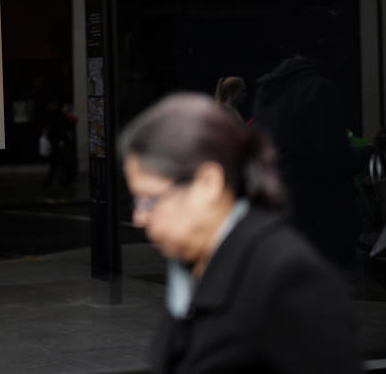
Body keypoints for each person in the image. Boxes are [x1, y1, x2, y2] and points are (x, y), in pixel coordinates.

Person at [119, 93, 361, 374]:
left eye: (150, 199)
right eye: (136, 201)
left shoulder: (289, 277)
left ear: (207, 183)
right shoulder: (192, 265)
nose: (139, 218)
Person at [253, 55, 359, 266]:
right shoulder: (318, 90)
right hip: (315, 217)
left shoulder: (265, 95)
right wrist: (361, 156)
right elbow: (334, 161)